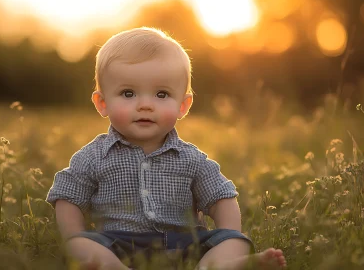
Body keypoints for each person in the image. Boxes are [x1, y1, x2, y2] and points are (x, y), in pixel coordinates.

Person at [46, 27, 286, 270]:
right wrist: (73, 237)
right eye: (128, 93)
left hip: (185, 245)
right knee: (82, 245)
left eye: (161, 94)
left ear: (183, 106)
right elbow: (68, 196)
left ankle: (218, 265)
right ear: (103, 103)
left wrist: (228, 235)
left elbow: (221, 198)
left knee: (234, 241)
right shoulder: (93, 156)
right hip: (118, 244)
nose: (145, 105)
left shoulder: (192, 159)